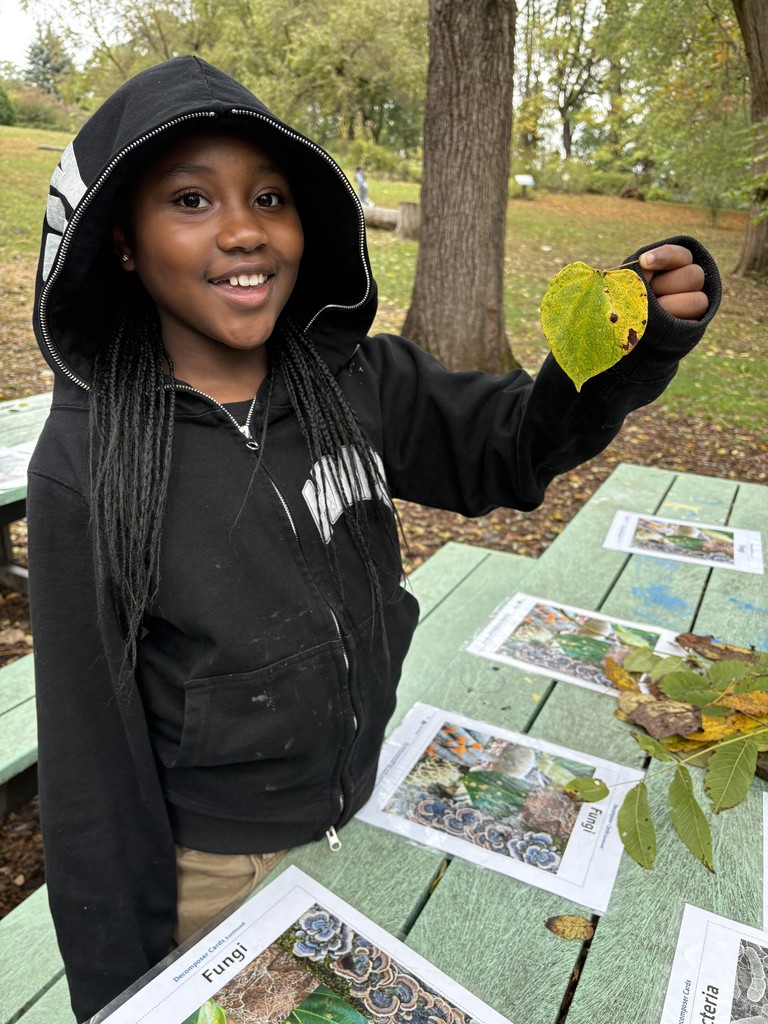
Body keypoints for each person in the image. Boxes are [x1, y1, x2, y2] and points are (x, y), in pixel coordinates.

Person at [27, 55, 718, 1023]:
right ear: (125, 244)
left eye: (270, 195)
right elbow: (91, 776)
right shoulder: (88, 459)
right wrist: (124, 997)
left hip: (372, 800)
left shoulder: (354, 378)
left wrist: (618, 347)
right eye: (191, 198)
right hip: (215, 879)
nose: (242, 230)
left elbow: (509, 448)